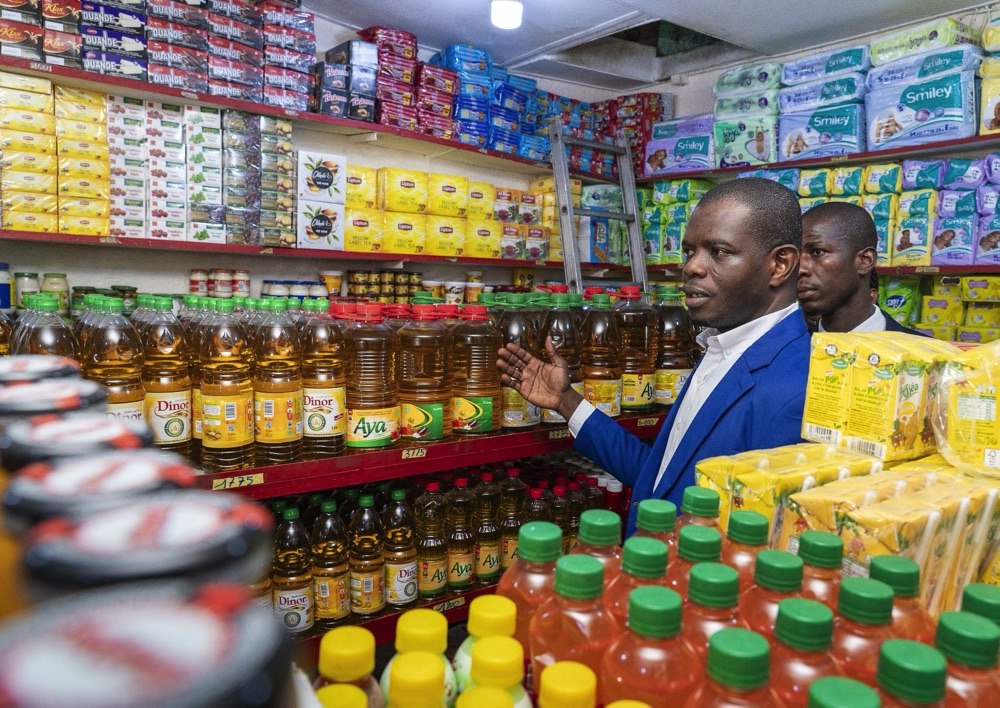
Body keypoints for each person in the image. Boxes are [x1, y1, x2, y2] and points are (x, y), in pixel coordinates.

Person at [496, 178, 810, 534]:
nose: (691, 267)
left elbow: (757, 542)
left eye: (719, 252)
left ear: (780, 264)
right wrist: (565, 400)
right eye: (689, 251)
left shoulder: (797, 388)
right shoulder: (723, 345)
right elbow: (659, 478)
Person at [797, 202, 924, 335]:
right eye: (796, 256)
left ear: (865, 260)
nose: (800, 269)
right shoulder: (790, 346)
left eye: (817, 252)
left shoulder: (923, 348)